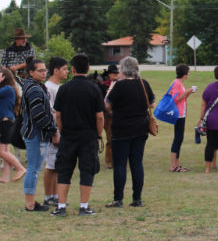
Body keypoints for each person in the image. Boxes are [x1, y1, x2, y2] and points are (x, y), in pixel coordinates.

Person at [50, 53, 104, 217]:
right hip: (88, 135)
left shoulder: (64, 89)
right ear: (87, 69)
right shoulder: (94, 88)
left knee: (64, 170)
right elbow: (100, 116)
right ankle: (84, 206)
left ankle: (61, 206)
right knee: (87, 170)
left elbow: (57, 114)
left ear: (72, 69)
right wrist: (99, 133)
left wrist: (62, 129)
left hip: (69, 135)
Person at [104, 56, 153, 208]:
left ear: (122, 69)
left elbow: (106, 106)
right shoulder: (143, 83)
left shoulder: (119, 86)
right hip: (140, 127)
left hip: (121, 128)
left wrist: (111, 90)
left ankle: (118, 199)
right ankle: (137, 198)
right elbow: (152, 104)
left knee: (120, 164)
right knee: (137, 163)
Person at [20, 58, 57, 212]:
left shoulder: (35, 86)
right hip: (36, 134)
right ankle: (30, 204)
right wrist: (51, 129)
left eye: (44, 70)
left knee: (34, 168)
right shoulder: (34, 89)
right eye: (40, 71)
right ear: (31, 72)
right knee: (34, 169)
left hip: (36, 132)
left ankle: (31, 202)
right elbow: (38, 114)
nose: (44, 73)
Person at [0, 67, 26, 183]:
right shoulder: (6, 89)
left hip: (5, 122)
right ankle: (5, 177)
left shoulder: (8, 89)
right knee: (6, 151)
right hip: (4, 121)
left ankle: (20, 168)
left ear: (4, 77)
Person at [43, 57, 68, 206]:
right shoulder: (49, 87)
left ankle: (55, 195)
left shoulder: (59, 87)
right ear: (55, 70)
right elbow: (52, 111)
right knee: (50, 165)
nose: (66, 72)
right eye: (64, 69)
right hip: (54, 130)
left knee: (57, 165)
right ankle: (48, 195)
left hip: (61, 129)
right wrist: (55, 132)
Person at [168, 63, 196, 172]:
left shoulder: (180, 83)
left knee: (179, 138)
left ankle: (177, 165)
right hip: (178, 114)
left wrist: (189, 93)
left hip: (181, 113)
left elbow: (182, 99)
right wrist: (187, 92)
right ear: (184, 73)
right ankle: (173, 166)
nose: (189, 73)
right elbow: (175, 99)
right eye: (188, 71)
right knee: (178, 139)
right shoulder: (177, 83)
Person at [99, 63, 119, 168]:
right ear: (109, 74)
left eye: (117, 73)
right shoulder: (104, 86)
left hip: (119, 114)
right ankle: (109, 161)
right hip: (108, 115)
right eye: (114, 73)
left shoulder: (121, 84)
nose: (116, 75)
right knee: (110, 138)